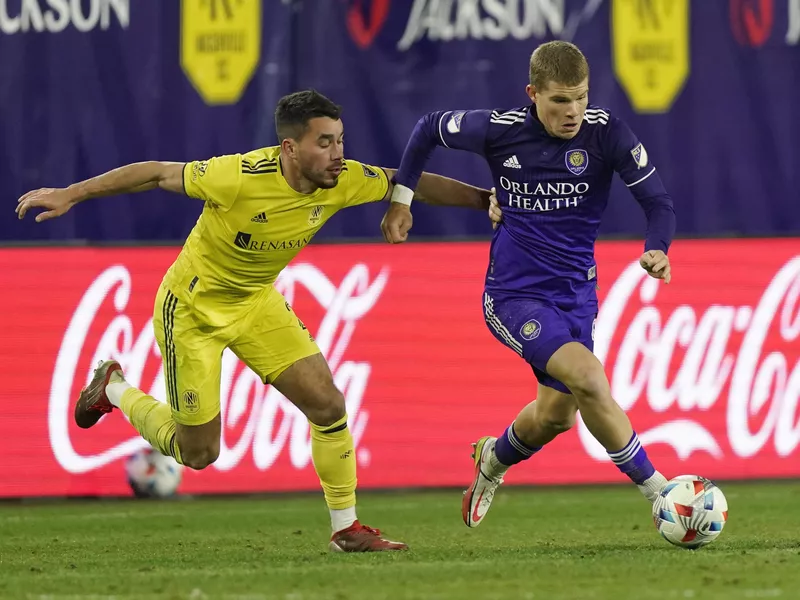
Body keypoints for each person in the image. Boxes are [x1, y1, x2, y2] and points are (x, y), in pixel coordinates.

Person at [16, 89, 491, 550]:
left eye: (340, 140)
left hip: (255, 304)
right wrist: (71, 194)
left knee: (328, 405)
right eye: (324, 143)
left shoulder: (343, 179)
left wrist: (485, 199)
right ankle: (113, 388)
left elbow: (404, 179)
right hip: (192, 311)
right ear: (290, 147)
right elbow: (156, 174)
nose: (338, 154)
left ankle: (345, 528)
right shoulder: (237, 176)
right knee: (199, 454)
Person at [381, 41, 676, 528]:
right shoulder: (500, 131)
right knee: (589, 377)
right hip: (515, 295)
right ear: (533, 94)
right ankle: (661, 493)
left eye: (581, 97)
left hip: (577, 295)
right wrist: (402, 200)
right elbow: (426, 127)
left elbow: (658, 202)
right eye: (560, 100)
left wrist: (659, 247)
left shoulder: (609, 135)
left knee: (556, 417)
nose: (573, 111)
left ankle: (491, 461)